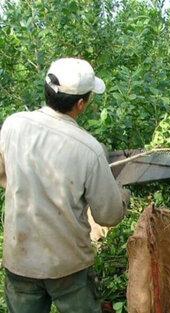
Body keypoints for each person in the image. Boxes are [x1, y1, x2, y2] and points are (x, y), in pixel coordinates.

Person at [0, 58, 130, 313]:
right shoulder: (89, 149)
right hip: (68, 267)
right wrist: (123, 195)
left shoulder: (14, 125)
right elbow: (109, 215)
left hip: (20, 258)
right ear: (81, 103)